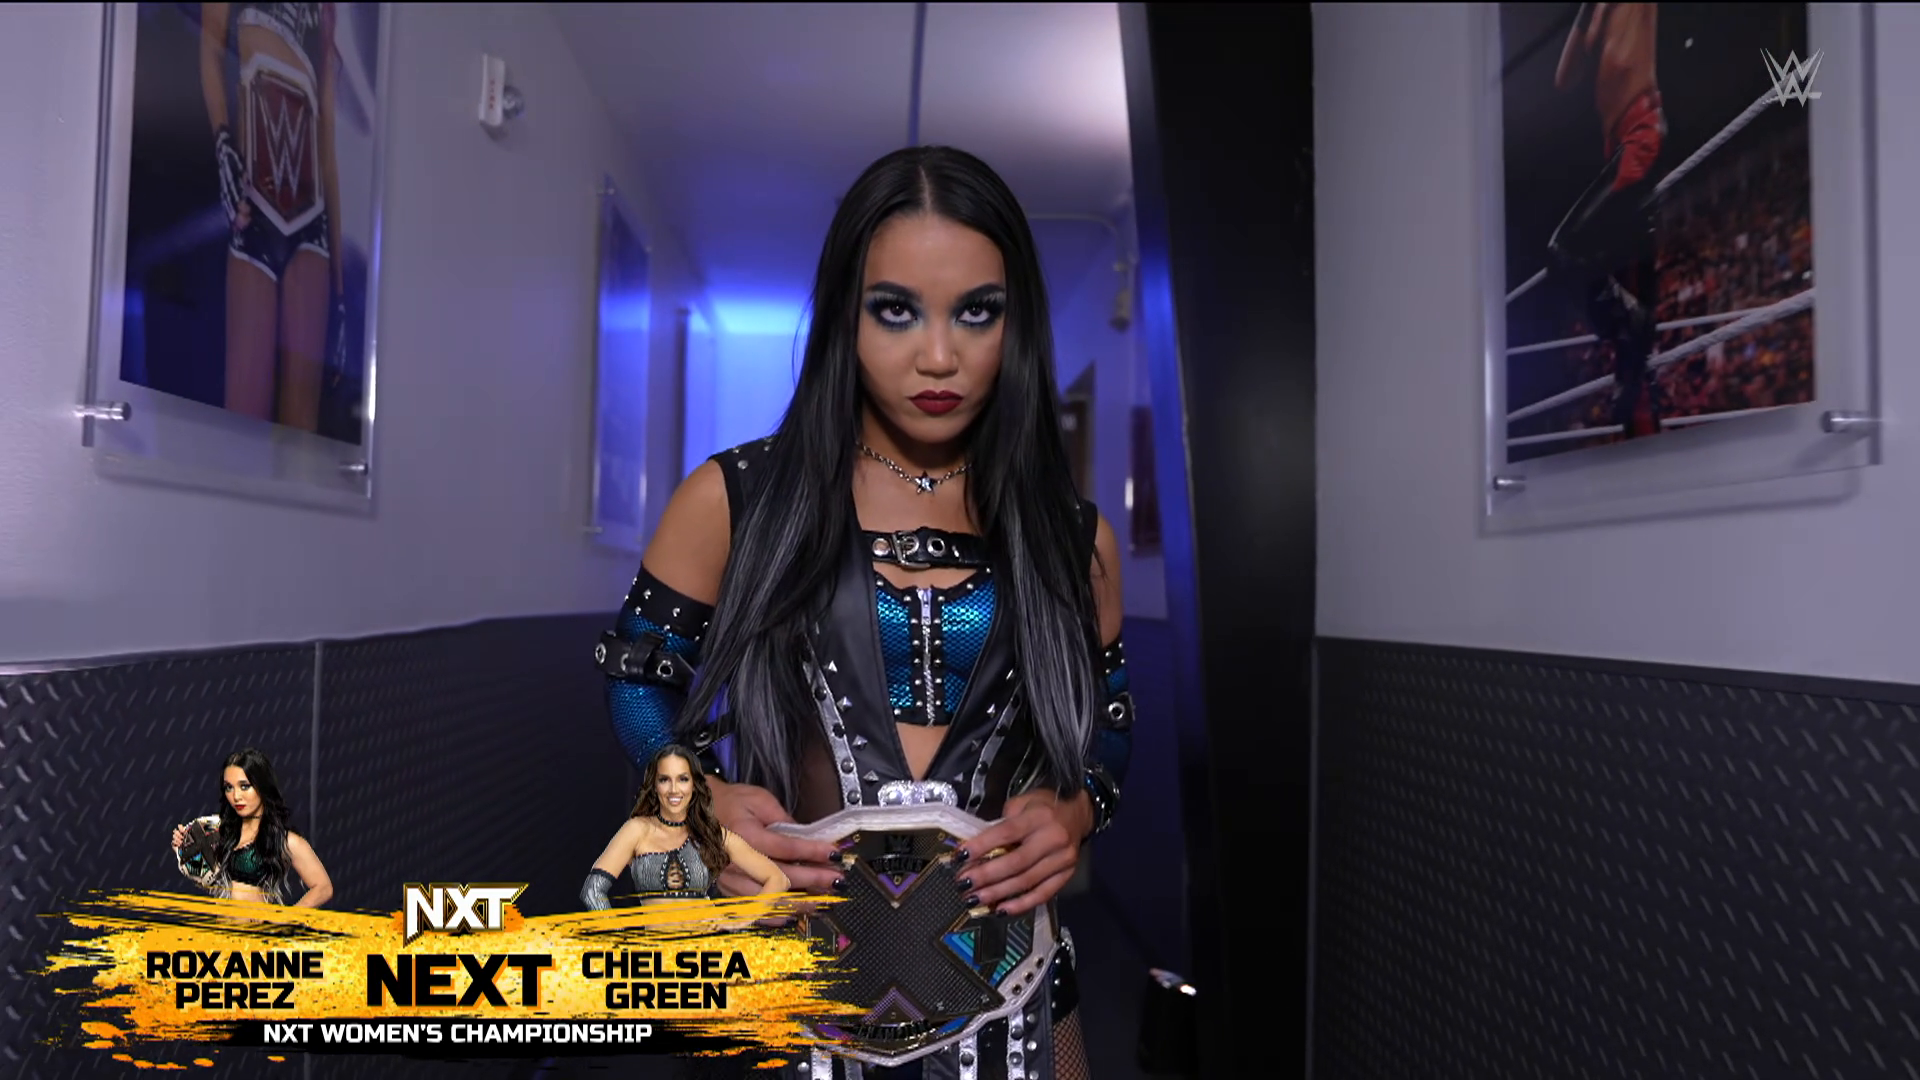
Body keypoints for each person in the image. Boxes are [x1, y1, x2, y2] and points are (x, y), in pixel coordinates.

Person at [594, 145, 1132, 1079]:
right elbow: (636, 680)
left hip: (1018, 999)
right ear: (846, 312)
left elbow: (1110, 723)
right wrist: (695, 801)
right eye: (896, 310)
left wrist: (1076, 809)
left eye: (977, 311)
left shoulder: (1071, 534)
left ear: (1018, 322)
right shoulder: (737, 499)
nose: (939, 356)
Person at [201, 3, 346, 433]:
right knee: (243, 424)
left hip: (312, 223)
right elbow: (209, 47)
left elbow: (327, 138)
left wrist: (339, 294)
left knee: (303, 437)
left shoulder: (326, 10)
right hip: (254, 209)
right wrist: (223, 147)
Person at [1548, 1, 1666, 437]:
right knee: (1627, 295)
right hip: (1614, 147)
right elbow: (1564, 79)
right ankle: (1632, 352)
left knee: (1563, 250)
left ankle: (1631, 321)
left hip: (1641, 133)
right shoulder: (1595, 12)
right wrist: (1586, 15)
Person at [580, 745, 790, 909]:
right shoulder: (637, 830)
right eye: (664, 780)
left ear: (694, 785)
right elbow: (592, 891)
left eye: (682, 779)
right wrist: (617, 938)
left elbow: (778, 879)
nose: (674, 789)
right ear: (654, 785)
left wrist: (743, 919)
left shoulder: (711, 832)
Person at [169, 747, 333, 907]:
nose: (236, 796)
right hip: (222, 924)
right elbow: (216, 885)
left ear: (262, 786)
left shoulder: (284, 839)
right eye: (229, 787)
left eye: (245, 786)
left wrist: (287, 918)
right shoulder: (221, 831)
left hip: (259, 925)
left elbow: (323, 888)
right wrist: (185, 848)